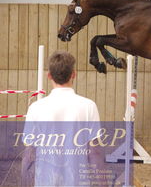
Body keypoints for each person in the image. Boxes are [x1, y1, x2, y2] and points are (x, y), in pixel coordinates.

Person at [21, 51, 103, 187]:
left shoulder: (35, 108)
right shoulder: (89, 106)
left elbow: (29, 155)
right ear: (73, 75)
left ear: (49, 76)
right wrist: (103, 184)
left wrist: (24, 184)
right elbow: (94, 152)